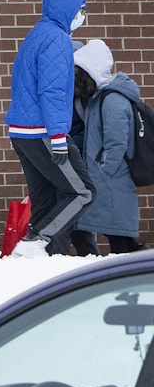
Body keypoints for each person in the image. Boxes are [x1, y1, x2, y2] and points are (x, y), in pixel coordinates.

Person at [6, 0, 92, 256]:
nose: (83, 15)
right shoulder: (56, 39)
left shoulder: (37, 35)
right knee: (81, 192)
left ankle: (40, 253)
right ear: (67, 7)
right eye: (81, 8)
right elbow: (52, 91)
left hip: (22, 133)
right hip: (42, 131)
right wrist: (57, 137)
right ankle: (40, 241)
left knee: (45, 197)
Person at [72, 39, 143, 256]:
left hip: (112, 180)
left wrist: (104, 170)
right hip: (108, 180)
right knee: (119, 237)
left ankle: (134, 278)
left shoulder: (112, 99)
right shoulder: (100, 97)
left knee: (121, 243)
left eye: (79, 75)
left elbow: (116, 142)